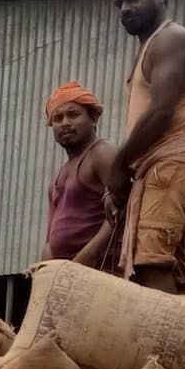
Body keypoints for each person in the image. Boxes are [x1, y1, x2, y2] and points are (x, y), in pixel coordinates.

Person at [103, 0, 185, 292]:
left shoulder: (170, 39)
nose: (125, 8)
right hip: (160, 165)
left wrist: (119, 164)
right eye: (119, 3)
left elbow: (161, 111)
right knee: (167, 271)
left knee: (152, 264)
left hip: (174, 162)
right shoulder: (151, 44)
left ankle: (163, 345)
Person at [43, 82, 116, 266]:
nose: (65, 123)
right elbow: (50, 239)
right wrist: (46, 272)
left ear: (93, 118)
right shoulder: (57, 177)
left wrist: (89, 255)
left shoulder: (102, 153)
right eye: (58, 118)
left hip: (102, 270)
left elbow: (122, 212)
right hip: (68, 271)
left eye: (73, 115)